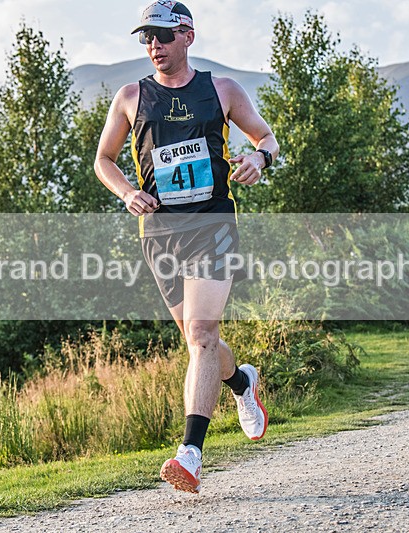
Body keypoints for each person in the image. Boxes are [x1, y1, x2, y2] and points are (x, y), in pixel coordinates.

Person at [94, 0, 279, 494]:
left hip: (213, 224)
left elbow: (267, 137)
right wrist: (127, 191)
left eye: (162, 35)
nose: (153, 45)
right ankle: (241, 383)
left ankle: (190, 454)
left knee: (200, 333)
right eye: (145, 37)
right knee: (199, 342)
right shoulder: (132, 97)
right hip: (159, 234)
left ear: (188, 36)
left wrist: (259, 158)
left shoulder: (221, 90)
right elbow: (104, 160)